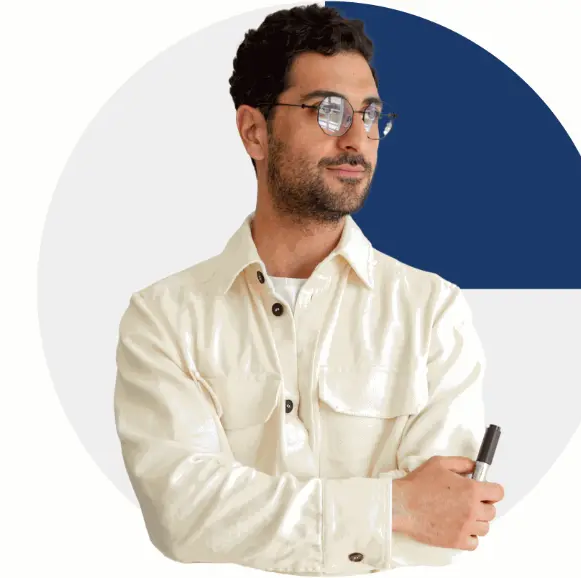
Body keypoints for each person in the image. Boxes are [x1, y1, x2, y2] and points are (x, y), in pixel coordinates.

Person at [113, 4, 504, 576]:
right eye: (328, 110)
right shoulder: (164, 318)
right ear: (254, 131)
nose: (357, 137)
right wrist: (394, 508)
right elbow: (183, 515)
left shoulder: (431, 311)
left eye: (370, 114)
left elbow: (440, 534)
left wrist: (247, 518)